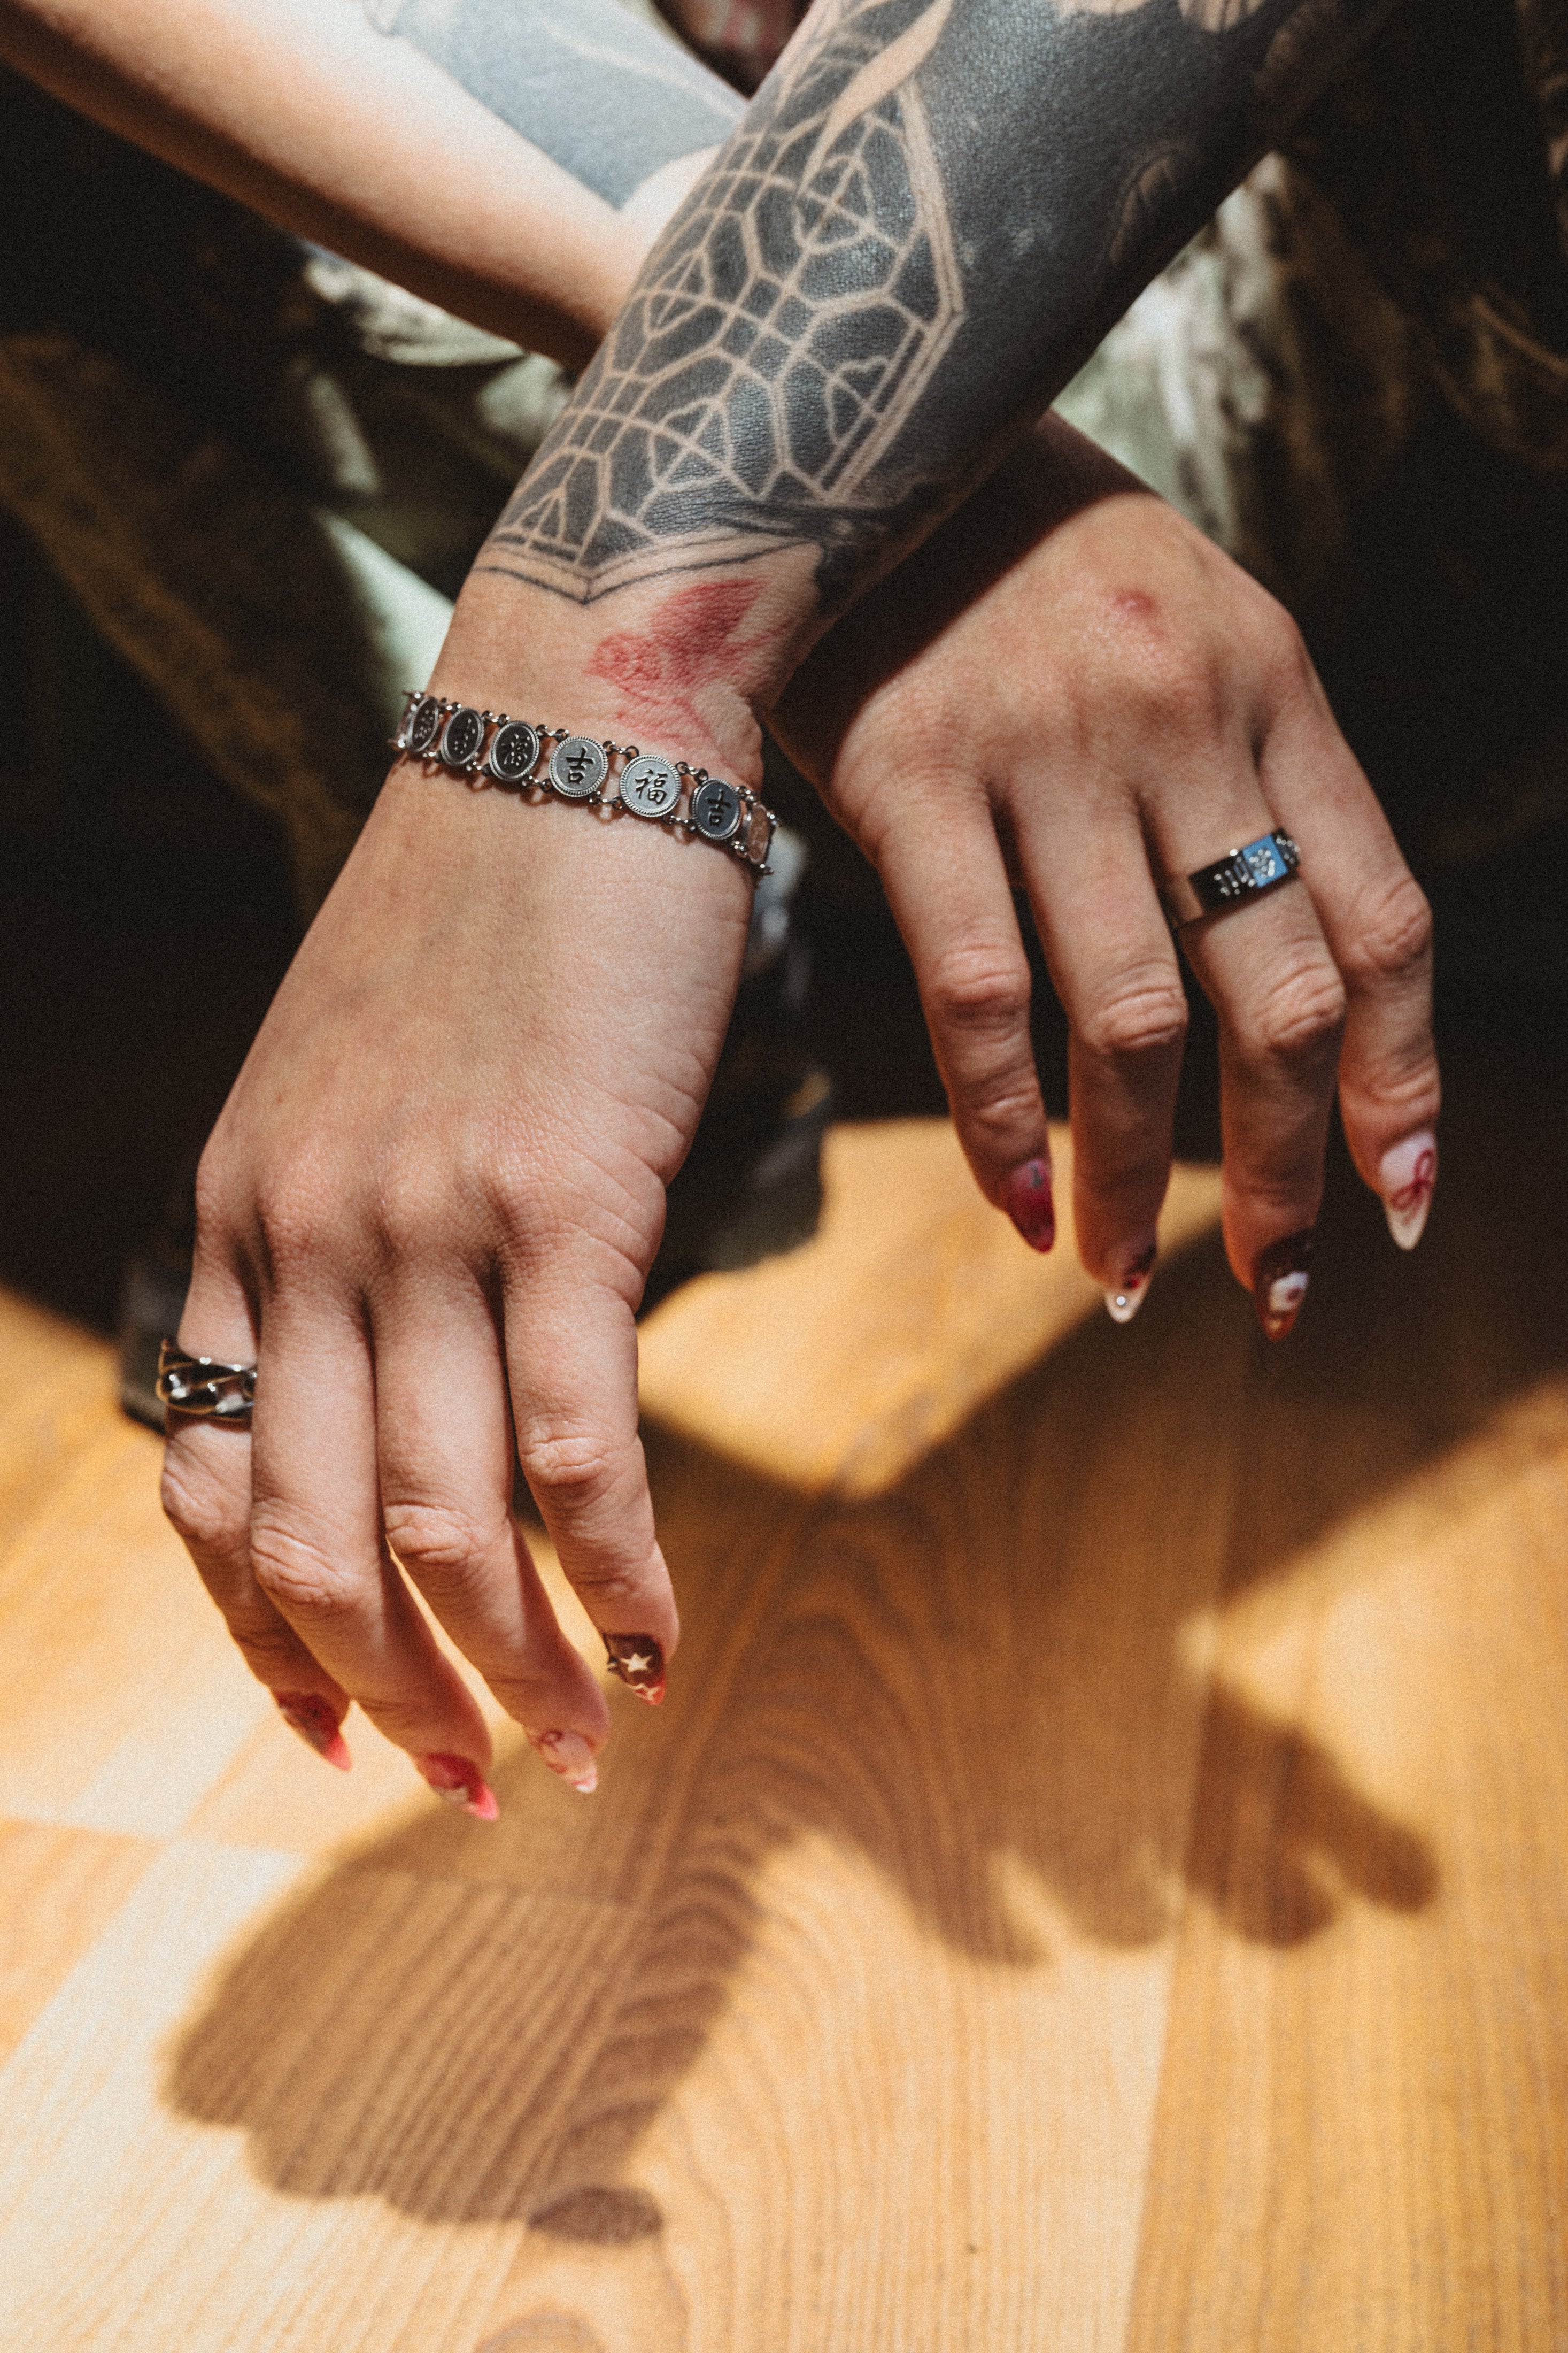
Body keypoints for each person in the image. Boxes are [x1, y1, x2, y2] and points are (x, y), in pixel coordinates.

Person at [4, 0, 1445, 1808]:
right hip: (654, 241)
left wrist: (605, 654)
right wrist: (848, 458)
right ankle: (586, 987)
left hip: (1364, 391)